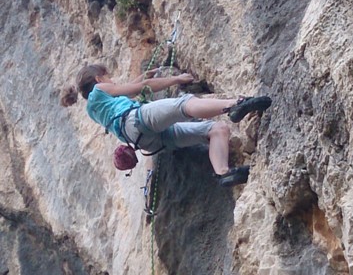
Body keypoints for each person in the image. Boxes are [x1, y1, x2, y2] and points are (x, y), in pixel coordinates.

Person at [64, 64, 271, 186]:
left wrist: (143, 77)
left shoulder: (92, 109)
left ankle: (224, 173)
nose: (111, 81)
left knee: (217, 129)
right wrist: (176, 79)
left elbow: (128, 89)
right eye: (108, 77)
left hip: (147, 142)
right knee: (184, 104)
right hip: (137, 119)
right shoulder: (100, 89)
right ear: (99, 78)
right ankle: (235, 105)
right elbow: (140, 87)